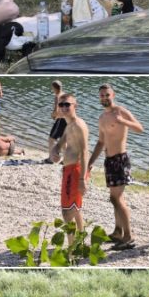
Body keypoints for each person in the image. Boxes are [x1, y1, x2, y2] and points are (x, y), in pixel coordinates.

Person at [87, 84, 144, 250]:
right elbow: (100, 142)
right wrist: (90, 162)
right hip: (109, 161)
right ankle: (118, 232)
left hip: (120, 160)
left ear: (113, 94)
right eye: (102, 96)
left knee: (116, 198)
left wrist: (123, 121)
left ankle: (129, 236)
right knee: (115, 198)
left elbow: (140, 128)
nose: (104, 98)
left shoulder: (120, 111)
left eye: (107, 95)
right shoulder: (102, 117)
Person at [52, 93, 89, 245]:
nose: (64, 108)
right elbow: (62, 141)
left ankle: (72, 247)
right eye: (61, 105)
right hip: (69, 170)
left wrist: (82, 179)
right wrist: (55, 150)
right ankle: (80, 242)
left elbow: (85, 151)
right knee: (75, 208)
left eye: (67, 104)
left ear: (75, 106)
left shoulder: (79, 125)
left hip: (76, 171)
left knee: (67, 212)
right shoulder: (69, 125)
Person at [45, 81, 66, 163]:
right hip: (66, 120)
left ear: (55, 88)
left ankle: (51, 159)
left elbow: (56, 110)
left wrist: (53, 116)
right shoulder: (64, 95)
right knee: (63, 140)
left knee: (51, 139)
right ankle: (66, 159)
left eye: (52, 88)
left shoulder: (57, 96)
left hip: (60, 120)